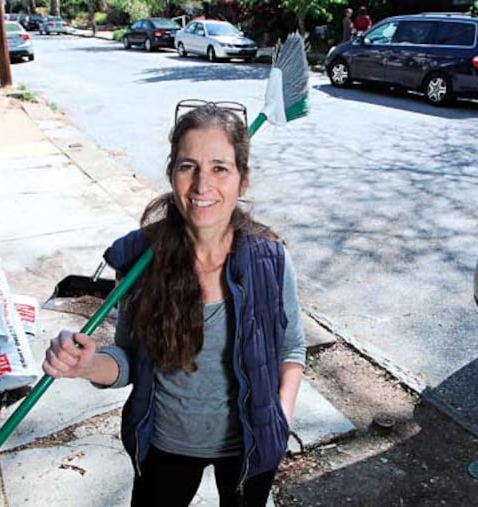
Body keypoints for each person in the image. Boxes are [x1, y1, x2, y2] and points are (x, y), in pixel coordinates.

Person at [42, 100, 306, 506]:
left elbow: (291, 348)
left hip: (250, 447)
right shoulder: (143, 261)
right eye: (188, 166)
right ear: (171, 174)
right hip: (165, 444)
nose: (202, 185)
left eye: (220, 167)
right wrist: (86, 364)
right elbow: (129, 358)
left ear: (242, 179)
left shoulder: (270, 260)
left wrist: (281, 418)